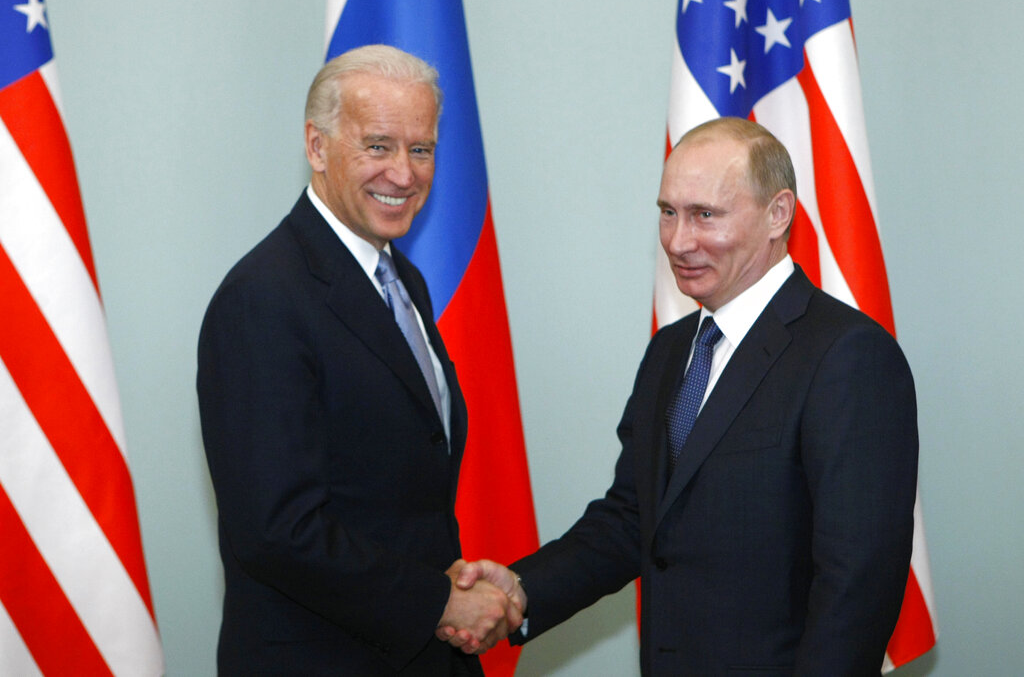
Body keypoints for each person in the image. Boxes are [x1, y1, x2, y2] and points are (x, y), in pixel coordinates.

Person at [444, 117, 919, 675]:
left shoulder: (847, 356)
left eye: (704, 215)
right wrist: (521, 590)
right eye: (668, 212)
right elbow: (634, 518)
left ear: (778, 213)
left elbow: (856, 585)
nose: (677, 240)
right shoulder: (672, 351)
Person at [197, 44, 519, 676]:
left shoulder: (403, 280)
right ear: (317, 147)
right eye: (378, 145)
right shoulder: (261, 299)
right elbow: (277, 529)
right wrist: (438, 601)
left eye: (420, 149)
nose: (403, 173)